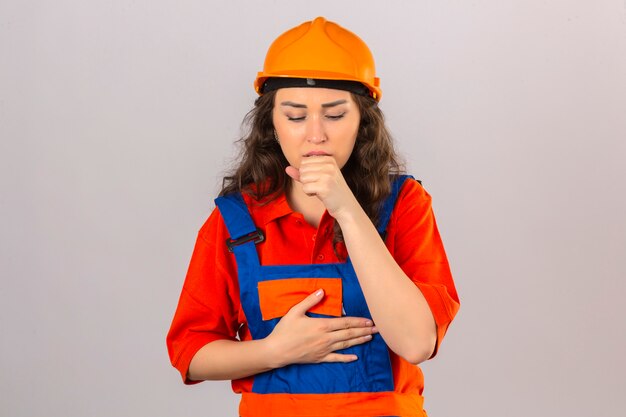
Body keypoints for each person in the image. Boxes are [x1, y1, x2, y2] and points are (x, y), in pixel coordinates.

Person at [167, 16, 460, 417]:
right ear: (271, 123)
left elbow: (416, 344)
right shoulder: (235, 221)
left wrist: (345, 209)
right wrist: (274, 351)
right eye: (295, 115)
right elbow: (190, 351)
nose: (315, 134)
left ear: (363, 123)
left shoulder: (405, 204)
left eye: (335, 115)